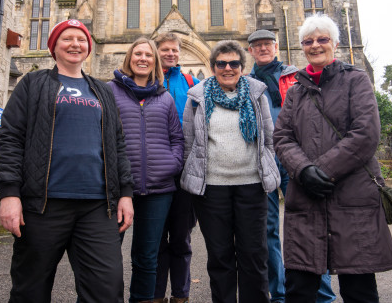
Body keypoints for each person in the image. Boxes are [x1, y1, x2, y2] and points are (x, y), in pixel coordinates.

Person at [0, 19, 134, 303]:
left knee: (106, 291)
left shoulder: (102, 90)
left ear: (88, 48)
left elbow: (117, 143)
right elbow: (11, 139)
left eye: (81, 40)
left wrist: (126, 193)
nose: (75, 44)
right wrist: (9, 193)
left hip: (97, 206)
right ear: (53, 47)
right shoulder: (33, 84)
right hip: (43, 205)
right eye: (67, 39)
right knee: (30, 290)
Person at [274, 14, 392, 303]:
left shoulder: (356, 80)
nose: (315, 45)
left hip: (352, 195)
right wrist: (304, 170)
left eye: (322, 39)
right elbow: (282, 136)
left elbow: (366, 134)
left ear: (335, 43)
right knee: (299, 287)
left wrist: (322, 170)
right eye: (308, 41)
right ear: (301, 46)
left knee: (359, 288)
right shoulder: (295, 92)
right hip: (306, 199)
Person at [180, 40, 280, 303]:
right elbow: (189, 143)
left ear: (241, 67)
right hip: (212, 190)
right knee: (220, 257)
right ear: (213, 67)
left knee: (254, 256)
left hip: (251, 186)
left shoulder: (257, 94)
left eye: (233, 63)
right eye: (221, 63)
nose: (227, 68)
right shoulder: (196, 98)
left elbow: (268, 139)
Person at [247, 30, 335, 303]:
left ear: (276, 47)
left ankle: (322, 294)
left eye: (267, 44)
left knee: (312, 225)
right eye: (257, 45)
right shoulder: (245, 82)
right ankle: (280, 293)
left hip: (297, 159)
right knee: (267, 230)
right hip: (262, 162)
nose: (262, 49)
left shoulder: (295, 75)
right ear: (250, 51)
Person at [108, 37, 185, 303]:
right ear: (129, 58)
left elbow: (177, 138)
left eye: (148, 55)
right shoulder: (110, 91)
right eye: (138, 53)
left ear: (155, 62)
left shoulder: (163, 98)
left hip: (158, 189)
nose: (143, 58)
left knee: (147, 257)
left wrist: (172, 165)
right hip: (116, 187)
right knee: (107, 256)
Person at [153, 32, 199, 303]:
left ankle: (180, 296)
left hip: (183, 171)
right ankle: (156, 295)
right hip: (156, 172)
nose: (170, 53)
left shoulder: (190, 82)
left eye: (174, 50)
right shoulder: (147, 81)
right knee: (156, 240)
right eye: (165, 49)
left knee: (181, 239)